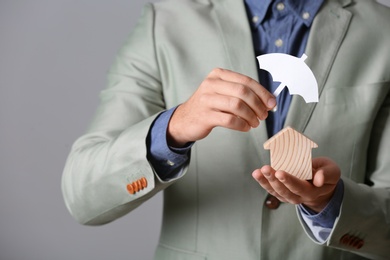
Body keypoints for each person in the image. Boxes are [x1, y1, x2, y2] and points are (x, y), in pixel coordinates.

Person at [61, 0, 390, 259]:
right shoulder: (163, 25)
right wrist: (174, 128)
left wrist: (332, 204)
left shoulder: (382, 31)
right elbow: (82, 194)